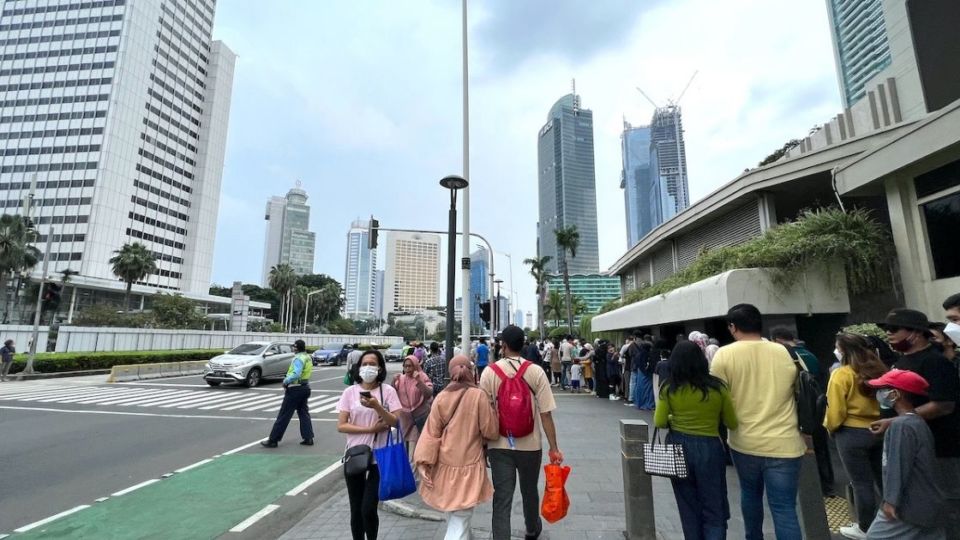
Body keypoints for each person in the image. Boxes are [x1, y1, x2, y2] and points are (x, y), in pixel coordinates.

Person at [710, 304, 806, 540]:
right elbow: (803, 391)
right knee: (785, 508)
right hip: (786, 442)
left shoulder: (724, 354)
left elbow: (716, 398)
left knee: (750, 495)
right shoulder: (785, 352)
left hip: (745, 441)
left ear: (733, 327)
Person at [872, 308, 960, 539]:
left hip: (942, 449)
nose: (888, 334)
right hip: (915, 450)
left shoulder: (935, 361)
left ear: (915, 333)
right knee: (923, 511)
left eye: (894, 329)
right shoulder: (904, 360)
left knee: (948, 509)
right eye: (886, 330)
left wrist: (898, 419)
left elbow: (944, 404)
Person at [479, 325, 562, 540]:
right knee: (529, 490)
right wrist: (554, 447)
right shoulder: (535, 371)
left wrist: (483, 445)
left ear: (503, 345)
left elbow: (484, 414)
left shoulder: (489, 372)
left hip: (499, 445)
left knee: (502, 497)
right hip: (530, 445)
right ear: (523, 345)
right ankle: (532, 529)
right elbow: (545, 414)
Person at [655, 341, 738, 539]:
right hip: (710, 447)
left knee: (688, 506)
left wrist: (674, 419)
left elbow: (659, 421)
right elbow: (731, 422)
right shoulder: (718, 388)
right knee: (714, 506)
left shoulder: (669, 388)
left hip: (678, 448)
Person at [415, 355, 500, 540]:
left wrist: (422, 462)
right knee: (461, 517)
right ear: (471, 372)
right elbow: (491, 432)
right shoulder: (478, 395)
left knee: (454, 513)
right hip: (470, 464)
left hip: (444, 464)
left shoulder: (441, 397)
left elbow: (430, 433)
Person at [865, 369, 946, 539]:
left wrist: (891, 501)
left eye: (883, 389)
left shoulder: (901, 426)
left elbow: (898, 465)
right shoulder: (917, 422)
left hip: (911, 505)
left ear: (895, 394)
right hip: (930, 502)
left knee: (875, 537)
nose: (879, 393)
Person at [824, 333, 889, 539]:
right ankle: (890, 522)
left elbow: (836, 411)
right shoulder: (880, 369)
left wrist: (830, 428)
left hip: (851, 433)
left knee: (861, 483)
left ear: (842, 350)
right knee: (883, 480)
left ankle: (865, 526)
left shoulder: (841, 374)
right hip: (880, 428)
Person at [337, 349, 402, 540]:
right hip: (355, 454)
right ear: (359, 368)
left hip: (379, 457)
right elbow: (341, 425)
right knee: (356, 509)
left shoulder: (388, 391)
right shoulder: (350, 392)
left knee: (368, 509)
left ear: (380, 368)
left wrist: (376, 406)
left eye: (372, 364)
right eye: (364, 364)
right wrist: (370, 430)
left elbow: (395, 422)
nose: (368, 368)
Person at [771, 327, 835, 497]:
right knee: (821, 448)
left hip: (803, 411)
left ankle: (813, 486)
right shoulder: (809, 354)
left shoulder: (787, 356)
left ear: (777, 340)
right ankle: (828, 484)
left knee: (806, 449)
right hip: (818, 407)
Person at [261, 339, 314, 448]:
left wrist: (286, 381)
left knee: (284, 415)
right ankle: (308, 438)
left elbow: (296, 374)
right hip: (305, 387)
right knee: (303, 413)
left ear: (297, 347)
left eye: (294, 347)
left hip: (295, 388)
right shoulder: (307, 357)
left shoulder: (298, 358)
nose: (293, 349)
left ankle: (273, 440)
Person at [392, 355, 434, 442]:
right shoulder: (401, 378)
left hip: (420, 417)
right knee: (405, 443)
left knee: (416, 443)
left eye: (410, 366)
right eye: (405, 366)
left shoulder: (422, 376)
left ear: (415, 366)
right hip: (405, 418)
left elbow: (429, 393)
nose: (407, 369)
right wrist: (393, 381)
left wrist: (419, 381)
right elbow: (392, 394)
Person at [633, 340, 656, 410]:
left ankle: (639, 403)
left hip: (640, 372)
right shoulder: (646, 354)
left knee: (639, 388)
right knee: (648, 389)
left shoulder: (638, 354)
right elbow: (646, 365)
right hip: (646, 374)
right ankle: (648, 404)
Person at [620, 336, 634, 403]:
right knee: (634, 383)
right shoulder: (636, 345)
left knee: (627, 382)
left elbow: (621, 355)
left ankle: (627, 396)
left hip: (627, 366)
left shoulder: (625, 346)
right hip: (634, 367)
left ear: (628, 340)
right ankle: (633, 397)